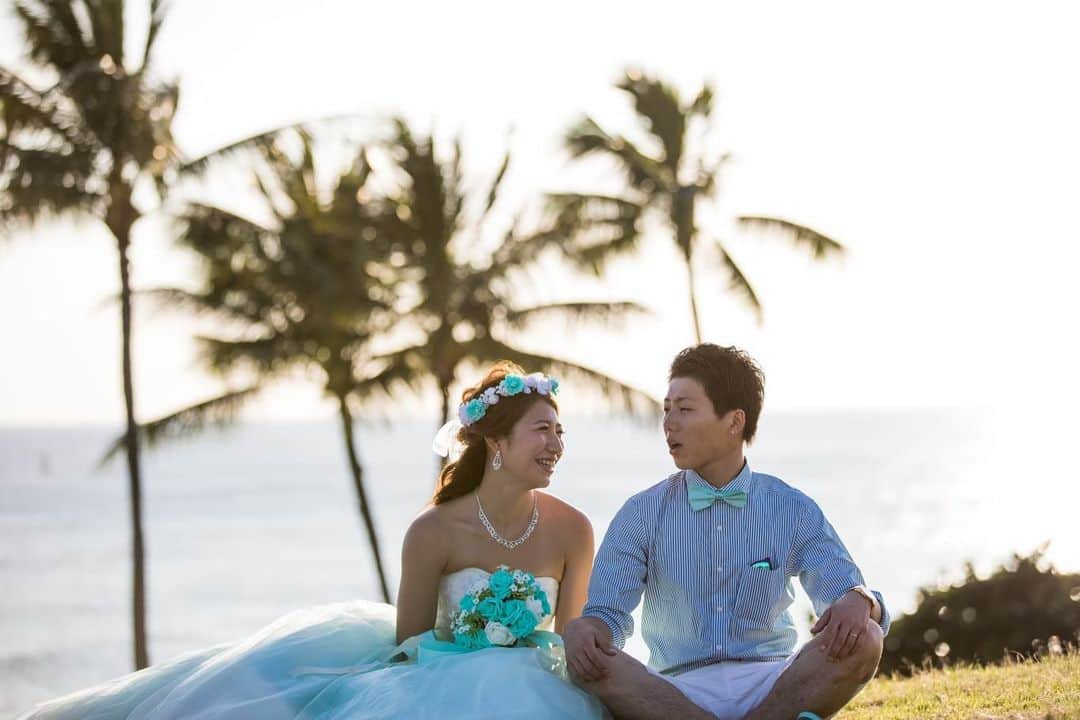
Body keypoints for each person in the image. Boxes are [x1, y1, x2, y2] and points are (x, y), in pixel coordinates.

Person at [18, 361, 606, 720]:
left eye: (561, 430)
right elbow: (412, 644)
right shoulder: (434, 530)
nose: (556, 443)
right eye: (542, 430)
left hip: (539, 691)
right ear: (497, 444)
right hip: (437, 681)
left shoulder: (573, 529)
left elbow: (569, 641)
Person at [564, 344, 889, 720]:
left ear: (734, 422)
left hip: (772, 683)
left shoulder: (791, 508)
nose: (669, 423)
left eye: (685, 409)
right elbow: (607, 615)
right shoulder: (640, 513)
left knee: (865, 636)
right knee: (590, 658)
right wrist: (586, 629)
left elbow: (847, 595)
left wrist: (860, 598)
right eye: (667, 409)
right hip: (673, 692)